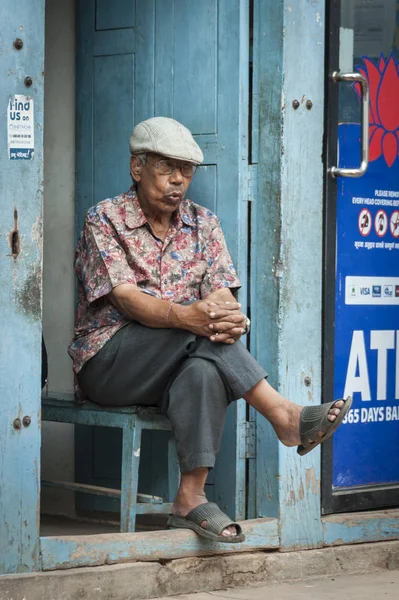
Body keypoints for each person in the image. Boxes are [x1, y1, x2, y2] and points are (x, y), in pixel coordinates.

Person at [68, 117, 351, 543]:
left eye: (187, 170)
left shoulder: (204, 223)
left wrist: (230, 316)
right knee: (197, 332)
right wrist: (193, 318)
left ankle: (190, 497)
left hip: (176, 360)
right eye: (166, 167)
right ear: (137, 167)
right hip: (108, 363)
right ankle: (284, 416)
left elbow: (220, 297)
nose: (178, 180)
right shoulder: (104, 219)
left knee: (203, 368)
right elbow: (127, 299)